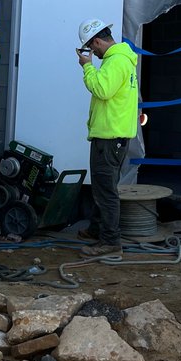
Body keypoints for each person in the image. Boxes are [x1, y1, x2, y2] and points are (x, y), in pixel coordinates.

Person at [76, 18, 139, 255]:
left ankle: (110, 242)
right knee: (102, 187)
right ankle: (97, 229)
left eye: (92, 47)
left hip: (109, 138)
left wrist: (87, 66)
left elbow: (102, 89)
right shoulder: (123, 60)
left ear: (97, 41)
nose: (92, 52)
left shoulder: (115, 62)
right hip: (113, 137)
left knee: (106, 191)